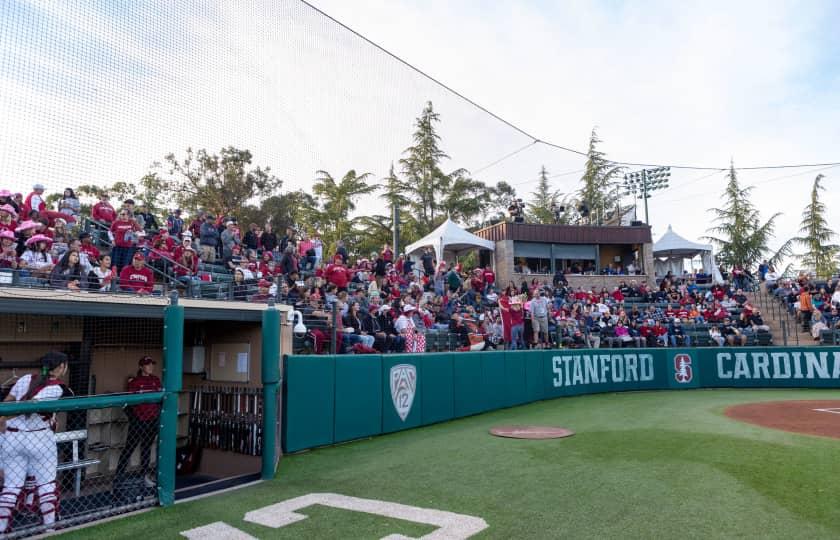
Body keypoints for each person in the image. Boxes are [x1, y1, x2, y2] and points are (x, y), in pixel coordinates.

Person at [0, 351, 69, 533]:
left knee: (11, 486)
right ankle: (50, 528)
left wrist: (4, 419)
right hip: (38, 437)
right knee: (46, 485)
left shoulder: (25, 379)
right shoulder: (57, 387)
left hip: (12, 437)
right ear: (61, 366)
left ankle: (1, 529)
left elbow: (7, 403)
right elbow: (29, 407)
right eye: (65, 365)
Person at [115, 356, 161, 488]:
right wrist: (135, 419)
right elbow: (127, 403)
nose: (151, 367)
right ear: (141, 367)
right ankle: (118, 478)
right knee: (129, 448)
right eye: (147, 365)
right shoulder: (135, 382)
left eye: (152, 364)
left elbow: (160, 400)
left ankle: (144, 477)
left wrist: (157, 416)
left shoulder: (155, 380)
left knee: (146, 448)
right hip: (139, 422)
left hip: (152, 421)